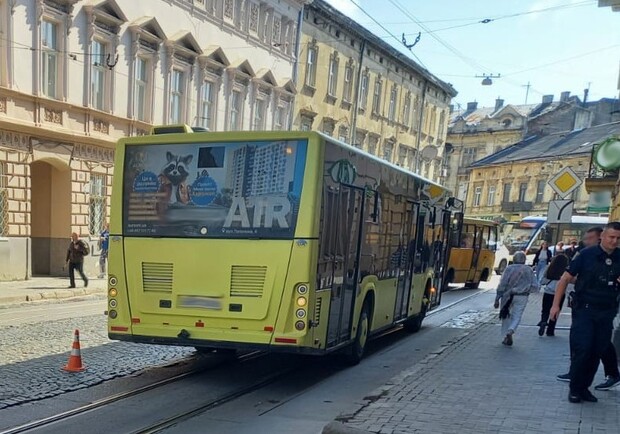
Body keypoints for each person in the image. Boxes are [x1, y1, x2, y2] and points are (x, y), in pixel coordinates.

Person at [549, 222, 620, 403]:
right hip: (585, 310)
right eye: (611, 237)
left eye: (618, 238)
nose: (614, 241)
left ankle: (584, 388)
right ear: (602, 237)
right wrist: (555, 306)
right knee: (583, 349)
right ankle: (575, 388)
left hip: (607, 311)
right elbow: (564, 279)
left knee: (597, 350)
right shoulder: (586, 255)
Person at [494, 251, 539, 346]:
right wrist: (526, 290)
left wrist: (497, 298)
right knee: (517, 315)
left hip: (508, 295)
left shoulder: (508, 269)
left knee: (506, 315)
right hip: (522, 296)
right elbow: (535, 286)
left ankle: (506, 335)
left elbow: (502, 284)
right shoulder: (529, 270)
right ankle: (511, 330)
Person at [537, 251, 569, 336]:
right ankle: (550, 330)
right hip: (560, 294)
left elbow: (542, 281)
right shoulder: (566, 271)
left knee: (545, 310)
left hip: (548, 292)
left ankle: (543, 321)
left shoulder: (549, 268)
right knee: (555, 311)